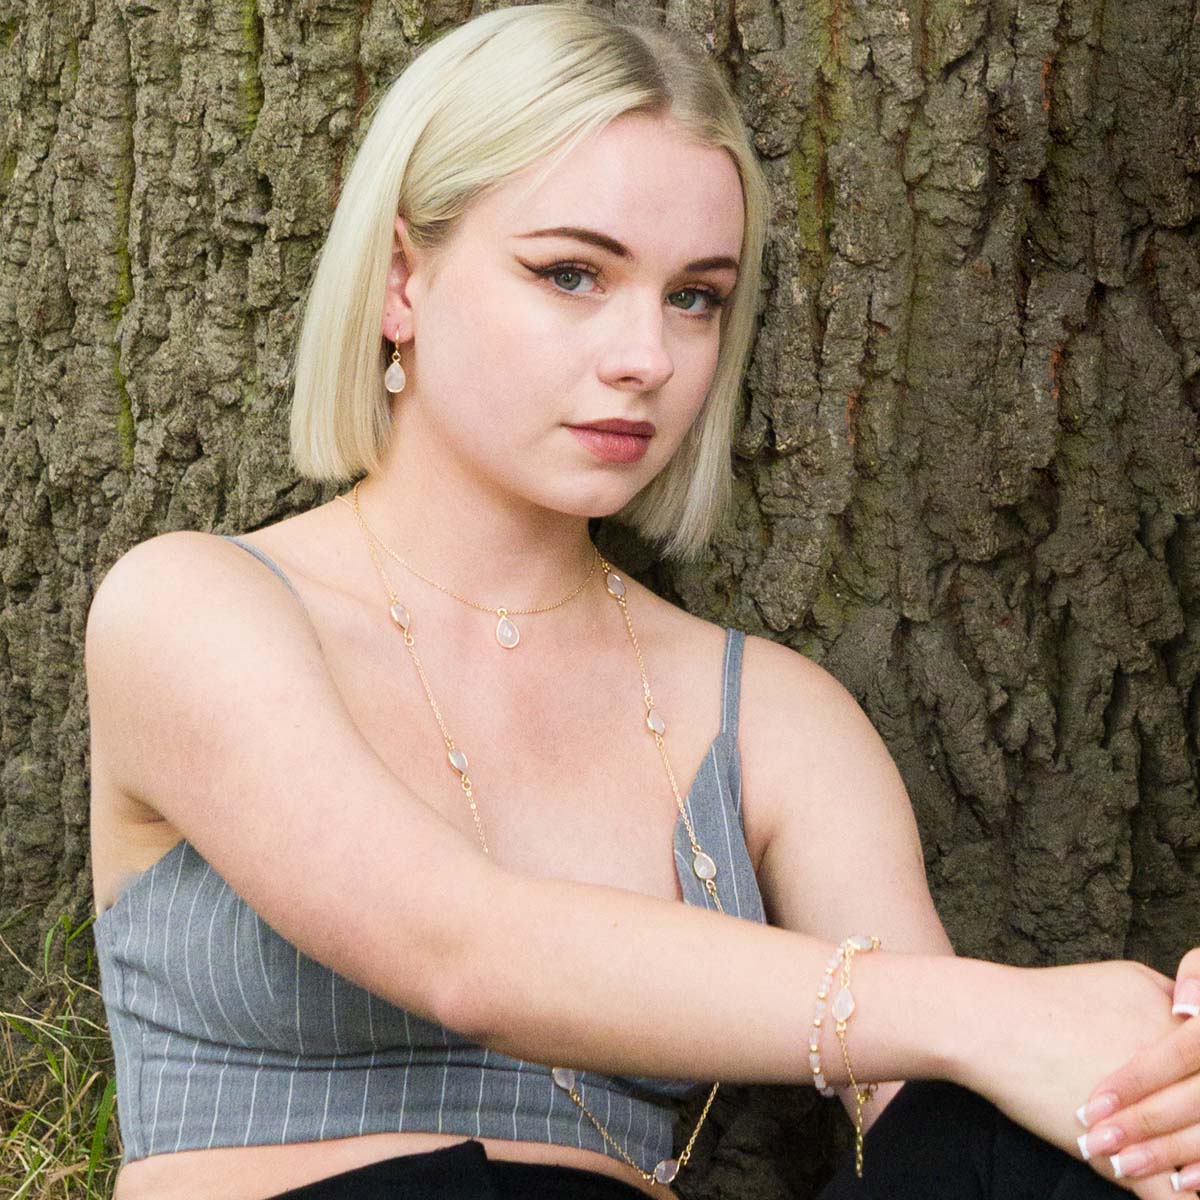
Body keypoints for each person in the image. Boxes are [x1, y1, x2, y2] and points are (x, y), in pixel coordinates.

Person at [83, 5, 1200, 1200]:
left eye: (695, 297)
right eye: (574, 273)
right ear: (404, 280)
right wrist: (997, 1011)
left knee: (1044, 1140)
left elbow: (931, 1098)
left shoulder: (766, 711)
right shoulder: (195, 607)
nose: (647, 358)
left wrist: (1154, 1076)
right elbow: (462, 952)